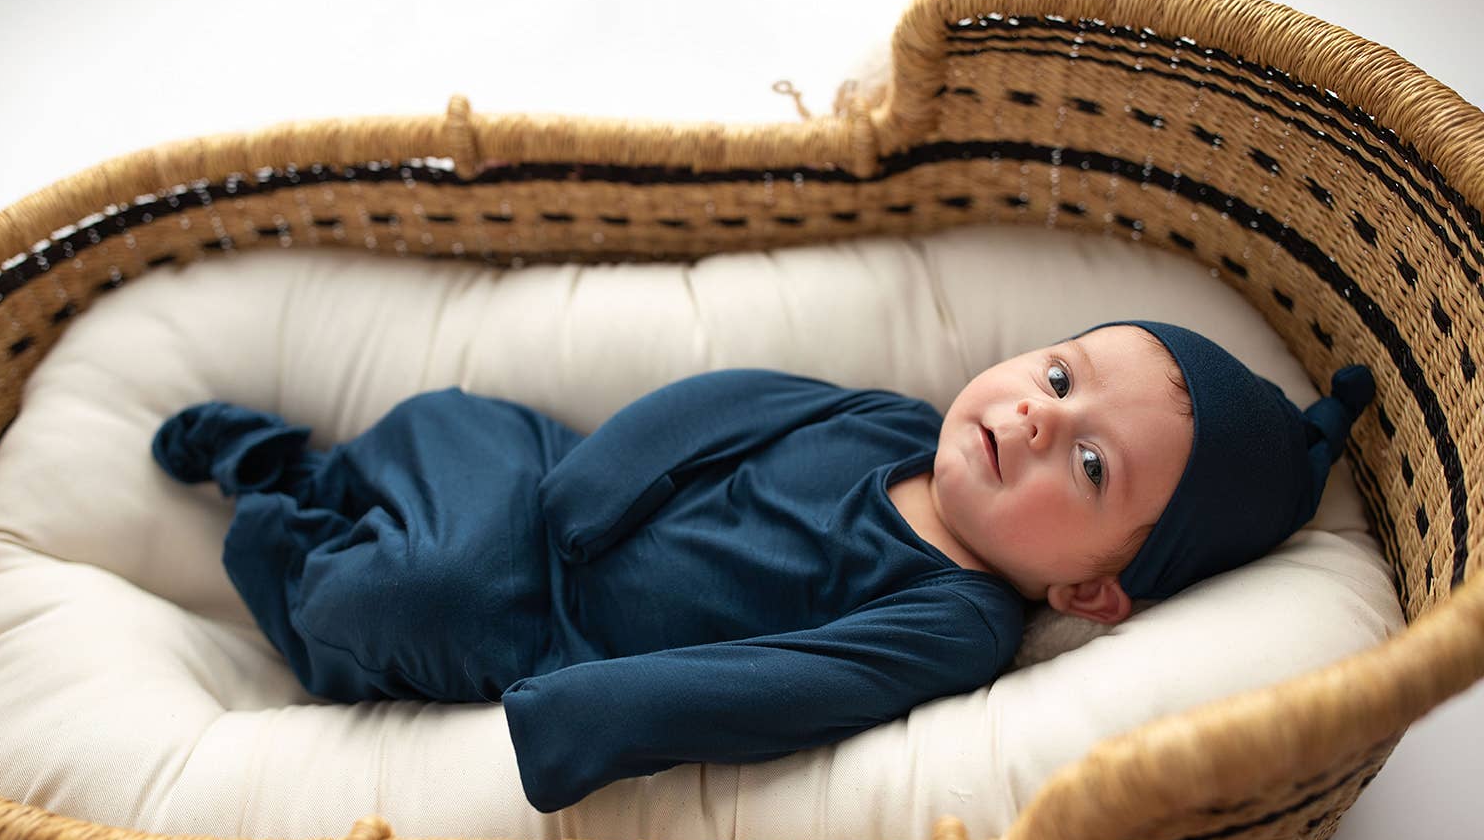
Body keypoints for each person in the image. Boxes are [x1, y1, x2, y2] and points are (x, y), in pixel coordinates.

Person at [151, 321, 1373, 813]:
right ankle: (329, 473)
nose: (1041, 415)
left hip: (544, 628)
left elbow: (779, 687)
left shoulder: (953, 620)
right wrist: (586, 487)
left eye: (1092, 464)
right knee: (452, 424)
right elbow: (723, 405)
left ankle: (279, 501)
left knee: (412, 596)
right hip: (555, 481)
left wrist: (584, 714)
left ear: (1090, 592)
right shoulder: (896, 422)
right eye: (1058, 376)